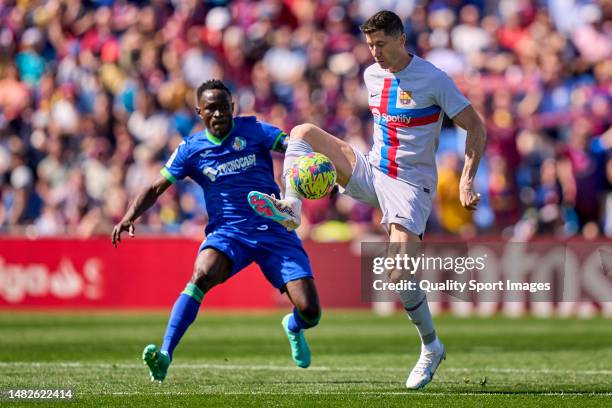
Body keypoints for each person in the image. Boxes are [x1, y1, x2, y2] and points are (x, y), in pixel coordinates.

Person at [249, 10, 486, 389]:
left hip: (411, 186)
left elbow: (476, 126)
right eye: (370, 44)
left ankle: (431, 347)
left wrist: (465, 180)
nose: (374, 51)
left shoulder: (433, 79)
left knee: (398, 274)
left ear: (401, 40)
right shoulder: (371, 75)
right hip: (373, 171)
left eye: (381, 43)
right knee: (302, 131)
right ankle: (291, 208)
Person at [111, 79, 321, 382]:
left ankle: (294, 326)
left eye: (224, 108)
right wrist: (130, 216)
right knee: (201, 275)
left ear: (233, 108)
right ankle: (165, 355)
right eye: (211, 109)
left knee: (311, 310)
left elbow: (291, 146)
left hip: (275, 228)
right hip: (229, 232)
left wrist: (306, 161)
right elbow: (157, 187)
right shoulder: (191, 149)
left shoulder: (255, 130)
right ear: (199, 112)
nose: (219, 114)